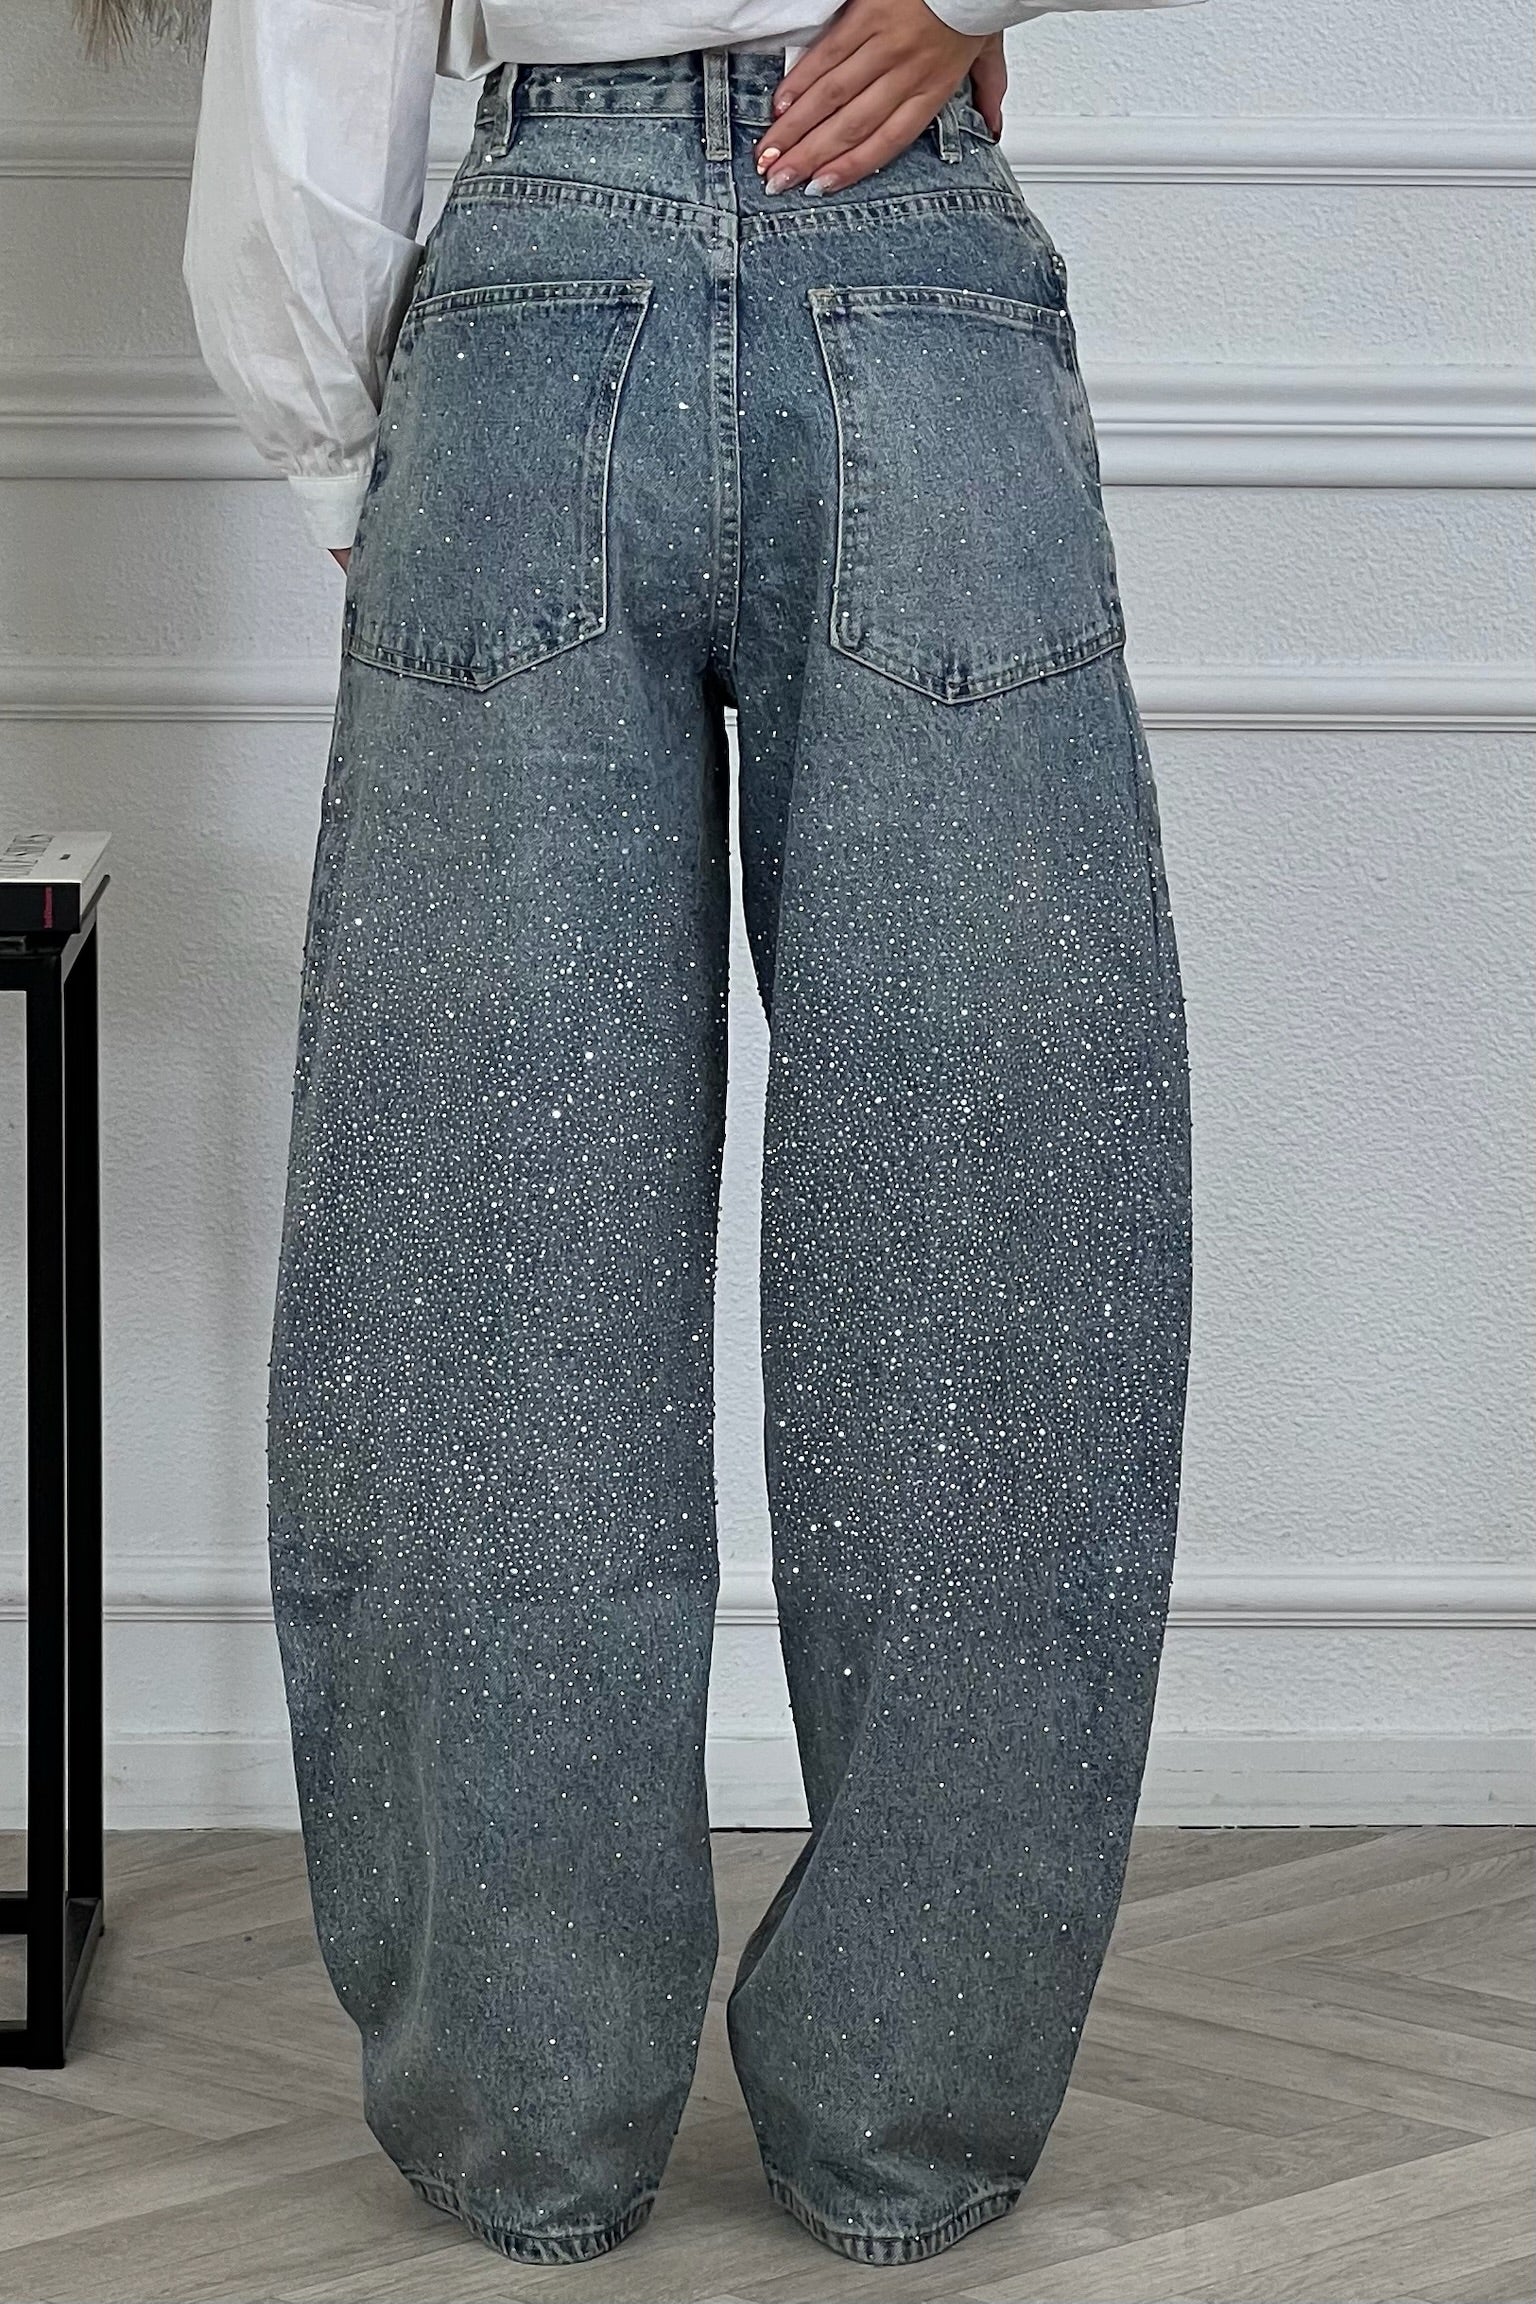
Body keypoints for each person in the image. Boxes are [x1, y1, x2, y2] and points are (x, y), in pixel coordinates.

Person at [184, 0, 1199, 2269]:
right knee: (996, 1261)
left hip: (536, 306)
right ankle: (909, 2117)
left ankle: (528, 2118)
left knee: (479, 1278)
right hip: (914, 275)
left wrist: (338, 445)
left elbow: (315, 43)